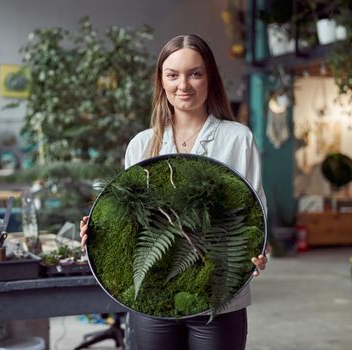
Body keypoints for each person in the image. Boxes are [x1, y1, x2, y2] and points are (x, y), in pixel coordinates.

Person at [80, 33, 268, 350]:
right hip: (152, 297)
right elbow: (130, 223)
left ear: (210, 78)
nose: (184, 85)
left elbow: (254, 216)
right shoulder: (142, 144)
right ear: (161, 81)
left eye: (195, 73)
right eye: (173, 75)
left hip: (218, 297)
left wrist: (258, 252)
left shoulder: (237, 139)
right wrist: (99, 231)